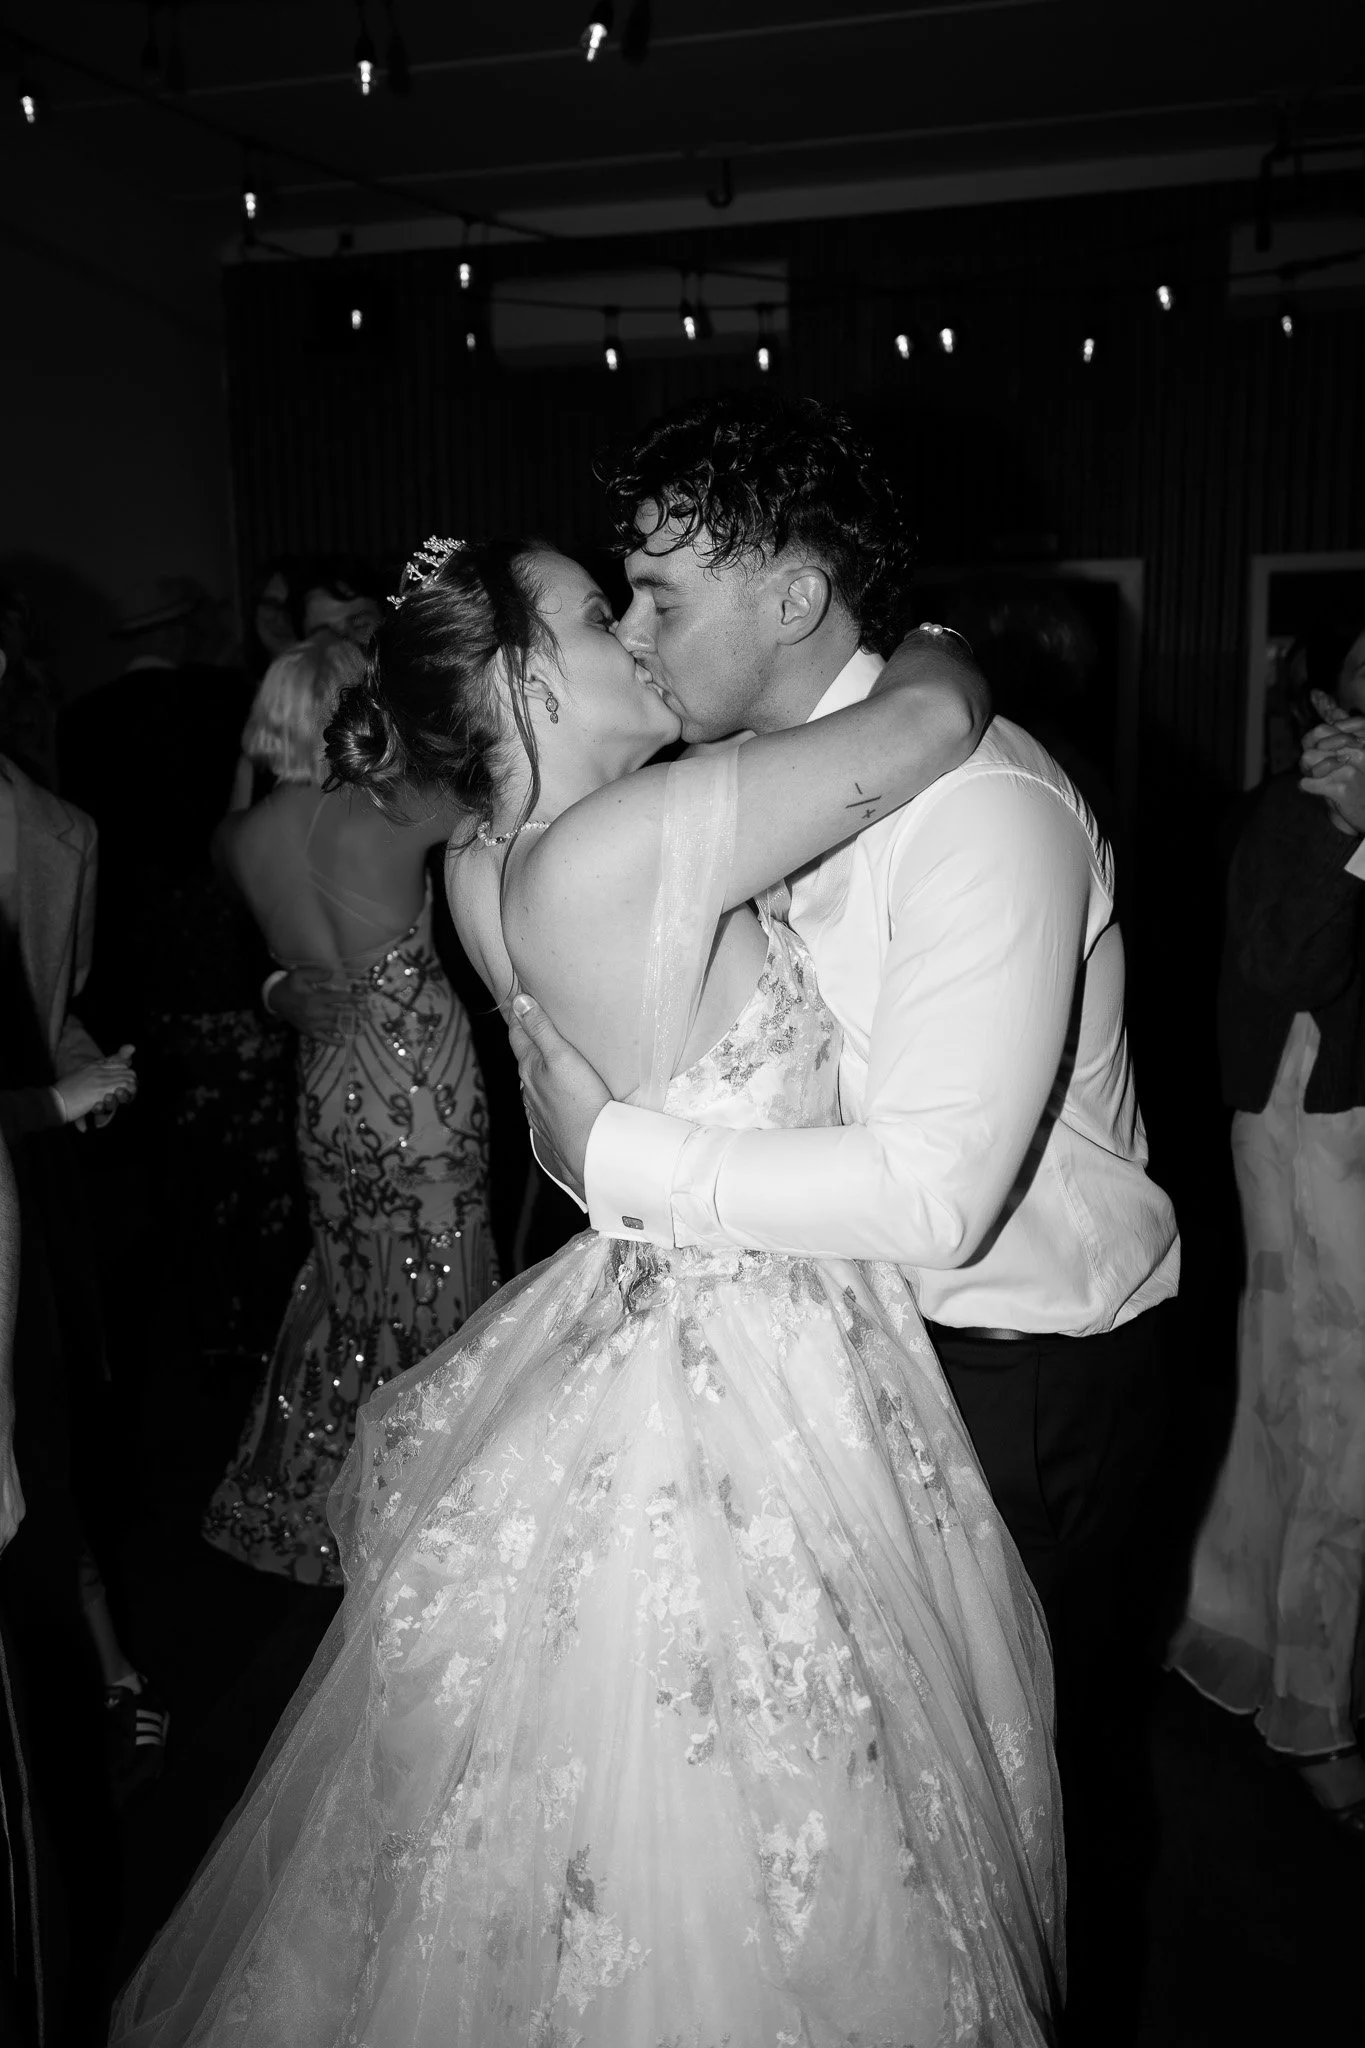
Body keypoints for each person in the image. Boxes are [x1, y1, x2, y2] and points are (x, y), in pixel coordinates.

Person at [112, 530, 1064, 2046]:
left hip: (661, 1311)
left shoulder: (492, 859)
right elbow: (935, 721)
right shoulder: (636, 844)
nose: (633, 630)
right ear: (525, 683)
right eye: (594, 611)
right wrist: (935, 618)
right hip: (752, 1362)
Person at [509, 393, 1180, 2038]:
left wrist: (621, 1162)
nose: (642, 631)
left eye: (662, 593)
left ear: (797, 597)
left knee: (1030, 1780)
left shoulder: (984, 807)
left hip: (1024, 1362)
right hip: (854, 1360)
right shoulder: (784, 781)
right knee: (893, 1811)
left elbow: (936, 1192)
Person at [202, 630, 499, 1588]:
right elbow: (505, 789)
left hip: (325, 1085)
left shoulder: (238, 839)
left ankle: (323, 1499)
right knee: (441, 1291)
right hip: (420, 1084)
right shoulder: (396, 805)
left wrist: (278, 987)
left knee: (347, 1291)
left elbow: (273, 949)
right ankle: (440, 1508)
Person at [1169, 628, 1365, 1828]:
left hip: (1319, 1133)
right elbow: (1289, 957)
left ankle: (1241, 1630)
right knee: (1331, 1407)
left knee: (1302, 1402)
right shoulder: (1302, 804)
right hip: (1320, 1131)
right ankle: (1312, 1696)